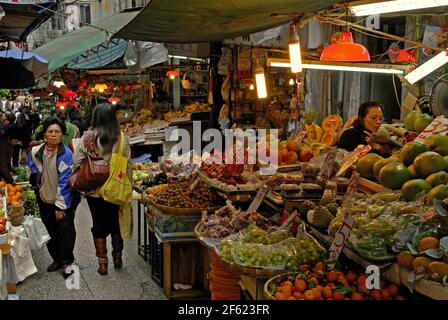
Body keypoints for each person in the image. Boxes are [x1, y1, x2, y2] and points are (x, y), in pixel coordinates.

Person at [73, 103, 131, 276]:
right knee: (115, 223)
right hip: (116, 189)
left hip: (94, 191)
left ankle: (103, 264)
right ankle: (118, 257)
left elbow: (76, 163)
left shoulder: (88, 138)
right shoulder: (121, 137)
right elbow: (128, 165)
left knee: (98, 224)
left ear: (96, 117)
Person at [27, 117, 77, 278]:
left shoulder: (66, 154)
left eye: (57, 132)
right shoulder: (36, 152)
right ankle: (56, 259)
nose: (54, 134)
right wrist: (36, 189)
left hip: (63, 200)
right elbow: (31, 171)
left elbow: (65, 182)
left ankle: (67, 263)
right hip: (44, 198)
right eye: (50, 131)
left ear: (62, 135)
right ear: (45, 135)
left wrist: (59, 206)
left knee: (65, 231)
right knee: (50, 231)